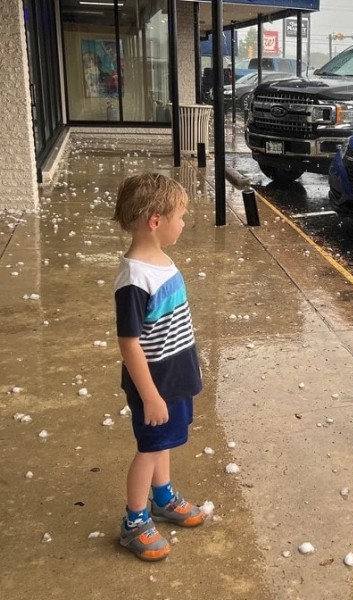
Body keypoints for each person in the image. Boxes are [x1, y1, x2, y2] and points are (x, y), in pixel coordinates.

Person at [112, 172, 206, 561]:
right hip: (155, 382)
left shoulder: (161, 261)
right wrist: (150, 396)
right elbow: (129, 343)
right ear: (155, 221)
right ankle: (134, 522)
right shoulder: (134, 279)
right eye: (180, 217)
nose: (183, 224)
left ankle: (163, 498)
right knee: (149, 449)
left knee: (164, 442)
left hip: (174, 374)